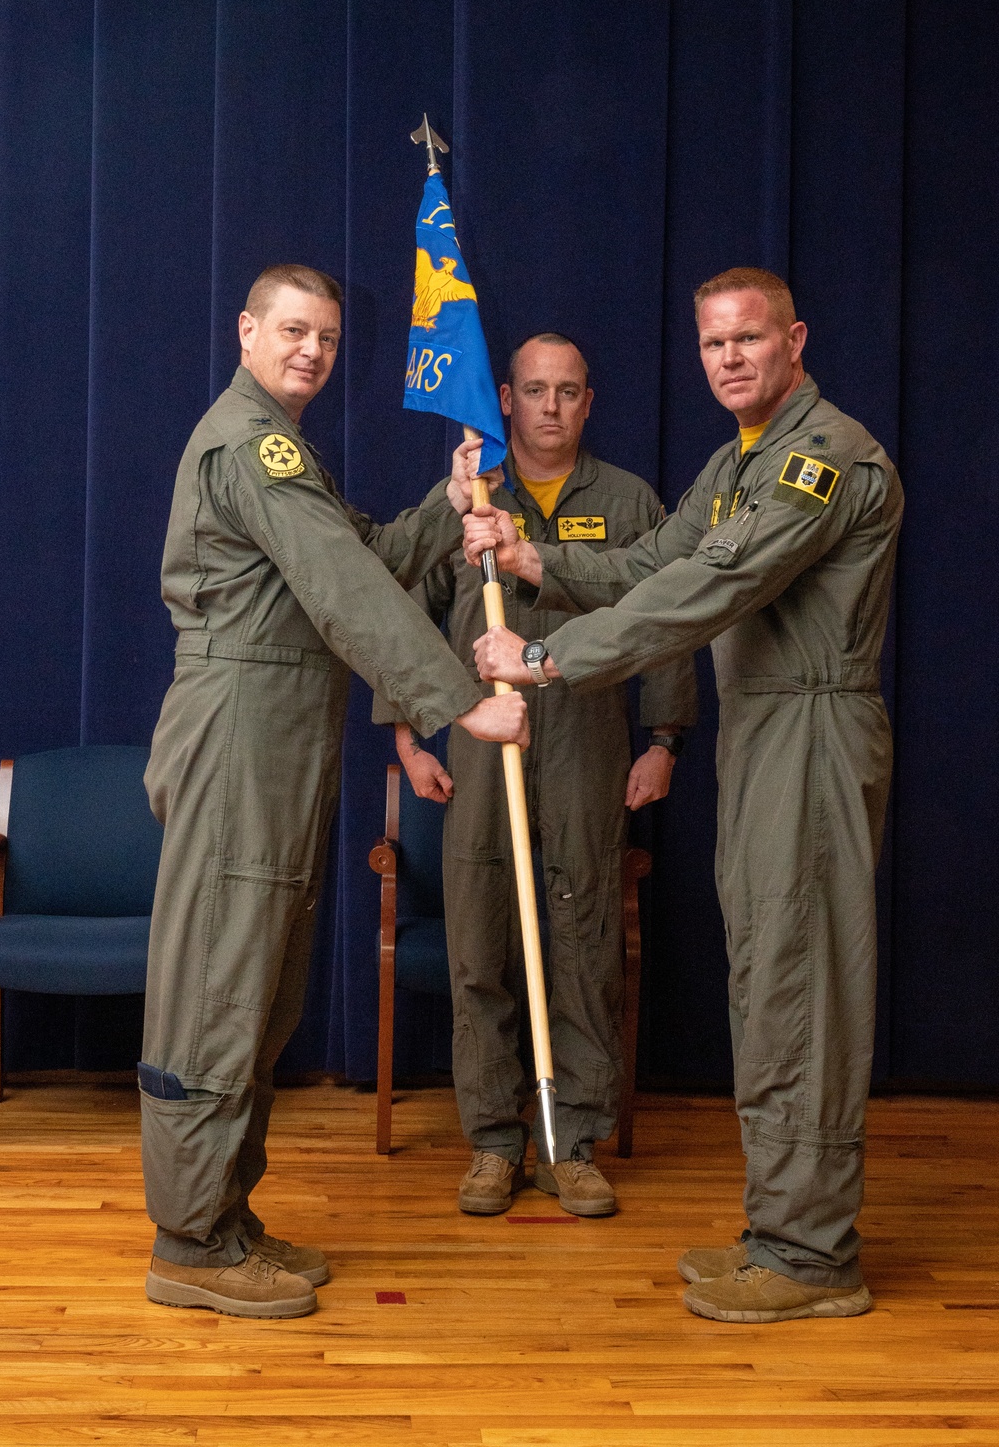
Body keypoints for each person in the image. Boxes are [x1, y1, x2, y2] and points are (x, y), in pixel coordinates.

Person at [466, 269, 903, 1323]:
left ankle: (811, 1256)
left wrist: (546, 658)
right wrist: (536, 556)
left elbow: (708, 591)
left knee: (800, 988)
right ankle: (781, 1225)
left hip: (809, 728)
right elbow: (658, 558)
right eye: (712, 345)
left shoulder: (819, 457)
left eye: (748, 339)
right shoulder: (735, 461)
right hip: (762, 733)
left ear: (793, 339)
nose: (729, 360)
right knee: (766, 979)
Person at [140, 263, 528, 1321]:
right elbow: (343, 585)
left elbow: (362, 552)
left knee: (262, 981)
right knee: (223, 980)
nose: (311, 350)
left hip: (277, 731)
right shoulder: (250, 443)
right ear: (247, 330)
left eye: (326, 337)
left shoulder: (285, 451)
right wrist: (456, 704)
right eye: (293, 330)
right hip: (239, 732)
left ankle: (222, 1215)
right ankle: (188, 1242)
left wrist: (443, 505)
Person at [374, 333, 696, 1217]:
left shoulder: (627, 501)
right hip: (486, 750)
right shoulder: (467, 503)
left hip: (589, 744)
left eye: (567, 391)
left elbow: (665, 612)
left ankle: (572, 1140)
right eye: (533, 391)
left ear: (589, 401)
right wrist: (407, 736)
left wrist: (663, 737)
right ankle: (491, 1138)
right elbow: (403, 617)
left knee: (584, 944)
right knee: (481, 943)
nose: (550, 407)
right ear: (506, 401)